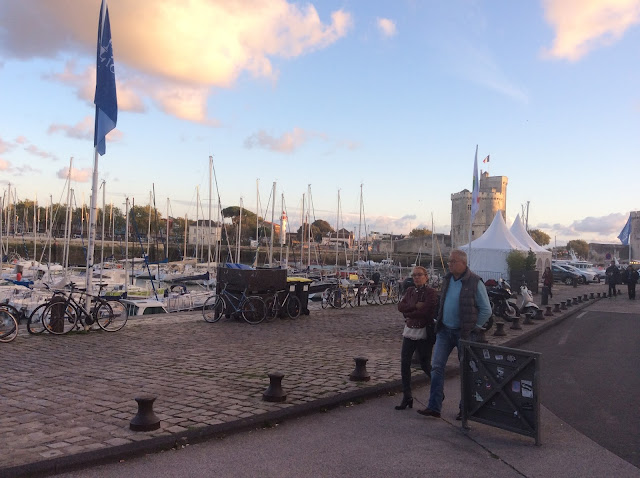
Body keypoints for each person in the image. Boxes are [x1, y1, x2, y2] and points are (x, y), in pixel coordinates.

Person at [417, 249, 492, 419]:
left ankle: (465, 409)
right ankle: (434, 406)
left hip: (463, 333)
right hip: (445, 330)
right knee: (436, 367)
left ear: (463, 264)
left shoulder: (475, 282)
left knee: (466, 371)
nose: (449, 264)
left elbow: (486, 310)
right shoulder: (447, 279)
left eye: (453, 261)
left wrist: (475, 326)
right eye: (449, 261)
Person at [395, 266, 438, 410]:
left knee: (425, 364)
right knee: (405, 363)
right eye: (414, 275)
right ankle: (407, 396)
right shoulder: (410, 291)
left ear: (426, 276)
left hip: (424, 331)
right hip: (409, 330)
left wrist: (409, 312)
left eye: (419, 275)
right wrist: (414, 307)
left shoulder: (431, 293)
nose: (416, 278)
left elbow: (427, 312)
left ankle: (438, 391)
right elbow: (401, 306)